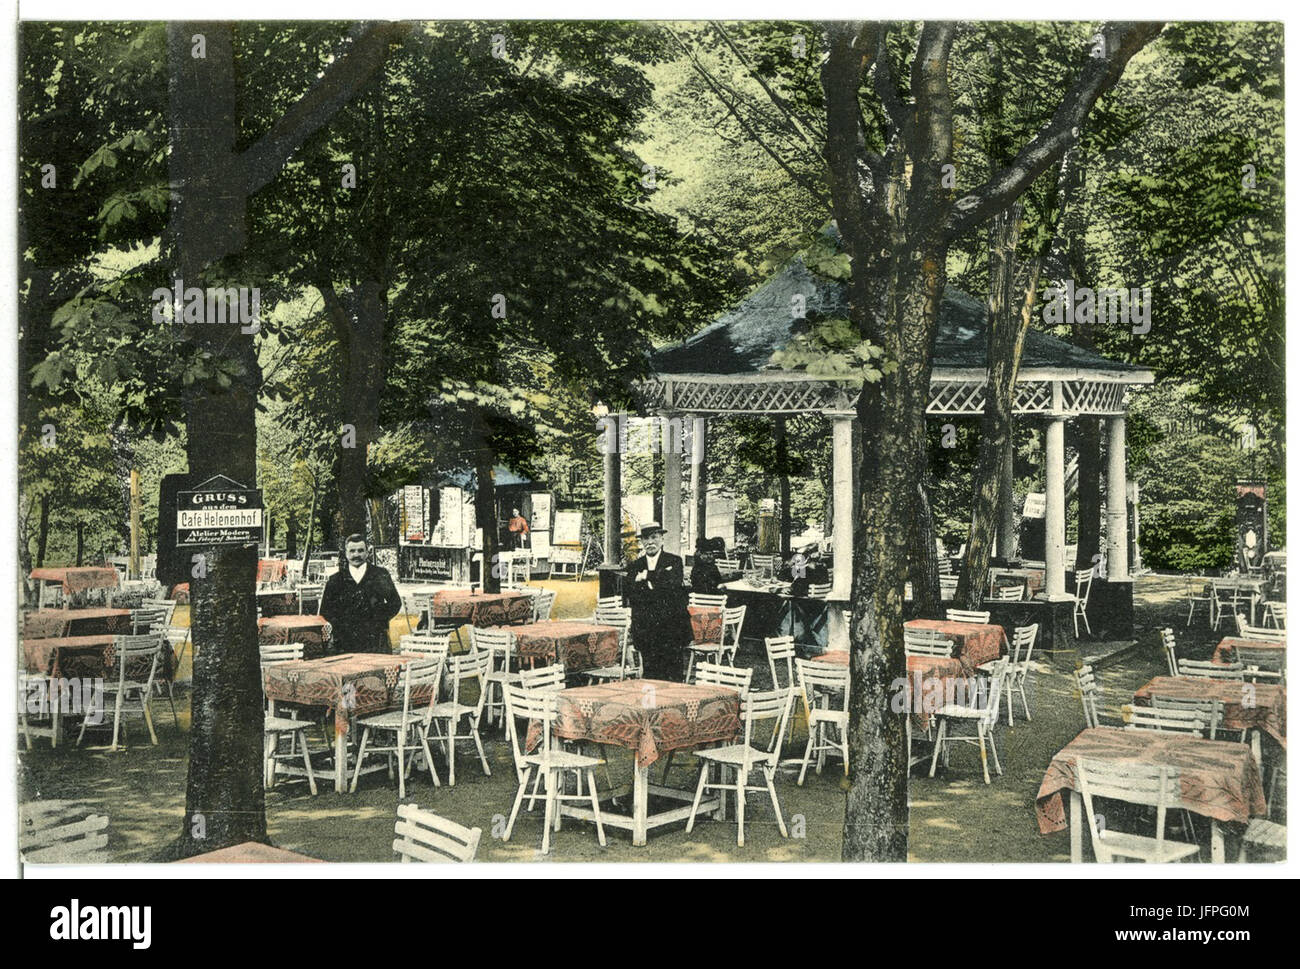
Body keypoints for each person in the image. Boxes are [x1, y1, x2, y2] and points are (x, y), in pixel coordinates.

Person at [625, 522, 693, 681]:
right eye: (646, 539)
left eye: (654, 537)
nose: (650, 542)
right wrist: (659, 581)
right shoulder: (635, 566)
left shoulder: (674, 561)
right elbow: (632, 596)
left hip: (671, 629)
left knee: (674, 674)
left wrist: (647, 577)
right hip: (646, 629)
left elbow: (673, 587)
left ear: (662, 539)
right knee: (650, 675)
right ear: (641, 543)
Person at [319, 534, 403, 654]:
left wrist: (379, 619)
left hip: (375, 642)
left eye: (360, 550)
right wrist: (341, 625)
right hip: (345, 643)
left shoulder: (380, 575)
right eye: (352, 551)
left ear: (367, 553)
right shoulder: (335, 580)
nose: (356, 555)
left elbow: (395, 603)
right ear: (346, 553)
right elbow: (325, 610)